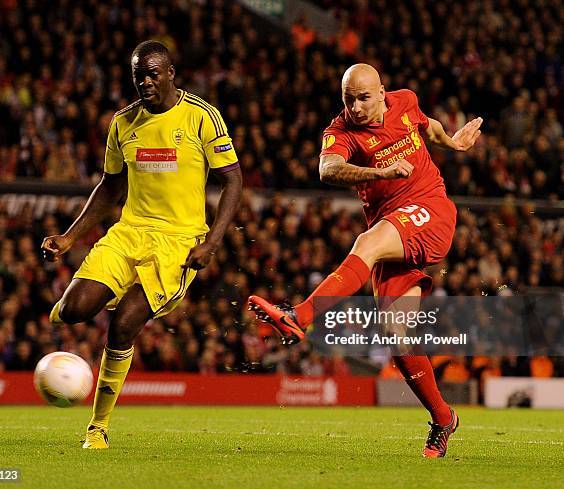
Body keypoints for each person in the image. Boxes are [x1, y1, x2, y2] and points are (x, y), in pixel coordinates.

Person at [248, 63, 482, 458]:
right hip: (395, 226)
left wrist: (452, 144)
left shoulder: (405, 102)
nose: (355, 107)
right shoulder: (339, 132)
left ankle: (299, 316)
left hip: (431, 209)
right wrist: (381, 169)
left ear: (382, 92)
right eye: (348, 99)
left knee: (367, 243)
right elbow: (328, 168)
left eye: (363, 97)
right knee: (396, 337)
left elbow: (428, 127)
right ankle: (444, 419)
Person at [42, 41, 242, 449]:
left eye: (153, 73)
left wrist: (212, 242)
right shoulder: (123, 122)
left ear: (171, 73)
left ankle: (97, 427)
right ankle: (72, 306)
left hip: (178, 242)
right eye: (139, 75)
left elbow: (233, 180)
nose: (146, 82)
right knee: (75, 310)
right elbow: (110, 185)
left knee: (124, 324)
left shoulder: (202, 117)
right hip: (129, 232)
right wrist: (69, 237)